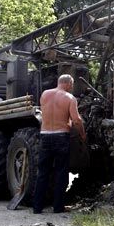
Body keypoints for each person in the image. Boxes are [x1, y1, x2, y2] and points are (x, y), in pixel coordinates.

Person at [33, 74, 86, 214]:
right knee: (61, 172)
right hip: (61, 137)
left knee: (43, 172)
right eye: (72, 85)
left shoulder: (45, 94)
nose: (72, 87)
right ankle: (58, 207)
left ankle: (37, 207)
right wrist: (82, 134)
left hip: (44, 135)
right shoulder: (70, 98)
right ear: (68, 84)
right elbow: (76, 120)